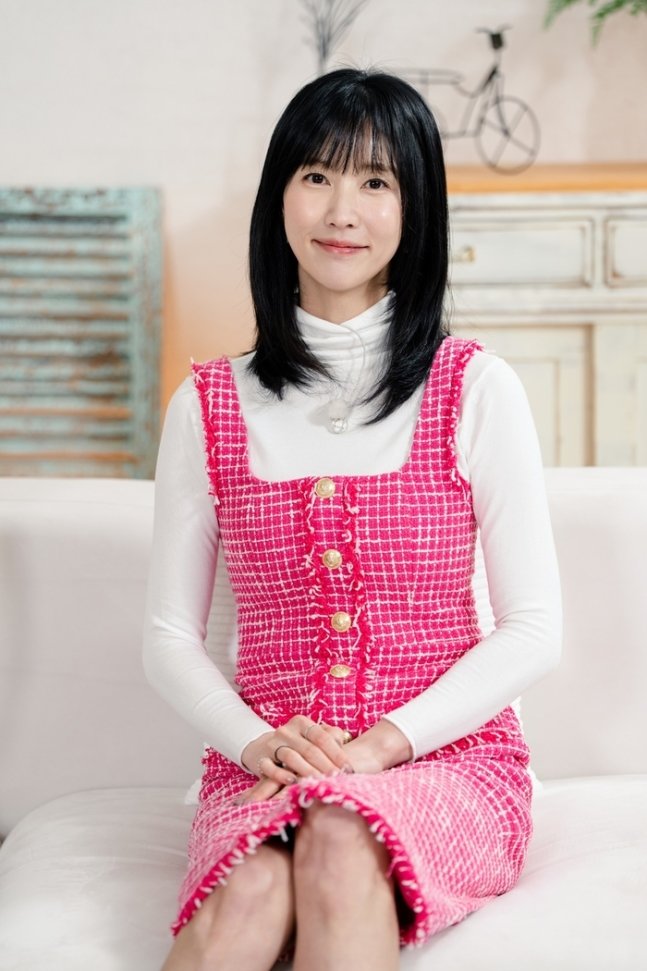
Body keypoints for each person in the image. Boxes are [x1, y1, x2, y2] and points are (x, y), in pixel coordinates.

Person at [143, 68, 562, 971]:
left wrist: (378, 749)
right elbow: (168, 636)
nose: (342, 210)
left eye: (376, 181)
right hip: (266, 759)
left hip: (450, 760)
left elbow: (533, 627)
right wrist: (255, 740)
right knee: (250, 888)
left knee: (337, 836)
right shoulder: (208, 403)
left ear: (416, 209)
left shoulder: (474, 388)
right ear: (279, 195)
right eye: (316, 175)